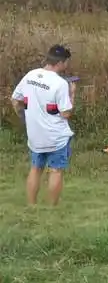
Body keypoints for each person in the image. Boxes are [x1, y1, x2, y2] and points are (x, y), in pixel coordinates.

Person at [9, 44, 76, 206]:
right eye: (66, 62)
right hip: (56, 137)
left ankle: (32, 205)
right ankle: (52, 208)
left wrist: (23, 117)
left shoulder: (30, 75)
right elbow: (66, 113)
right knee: (56, 170)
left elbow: (15, 100)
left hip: (35, 136)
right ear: (61, 62)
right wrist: (72, 94)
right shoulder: (60, 84)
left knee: (35, 169)